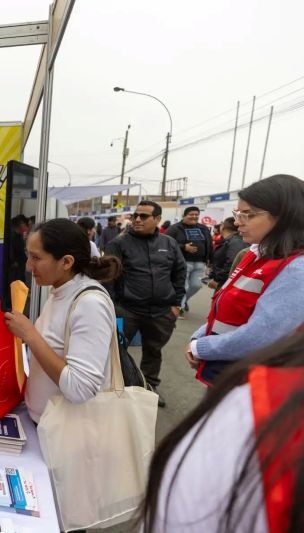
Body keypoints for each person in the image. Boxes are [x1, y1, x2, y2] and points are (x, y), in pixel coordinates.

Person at [140, 331, 304, 533]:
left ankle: (149, 385)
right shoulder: (251, 406)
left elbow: (264, 328)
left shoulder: (254, 408)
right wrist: (198, 338)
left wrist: (200, 346)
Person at [186, 175, 304, 386]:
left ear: (284, 217)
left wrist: (201, 347)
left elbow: (262, 337)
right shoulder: (254, 254)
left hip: (256, 386)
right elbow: (224, 313)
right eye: (237, 213)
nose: (237, 221)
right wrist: (198, 337)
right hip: (227, 375)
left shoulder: (296, 270)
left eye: (247, 215)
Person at [3, 218, 121, 423]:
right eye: (27, 256)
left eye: (36, 258)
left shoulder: (90, 304)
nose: (29, 266)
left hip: (63, 436)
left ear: (66, 262)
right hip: (43, 423)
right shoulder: (60, 290)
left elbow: (80, 388)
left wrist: (29, 334)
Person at [104, 200, 185, 407]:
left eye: (144, 216)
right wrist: (112, 306)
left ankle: (148, 387)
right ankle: (117, 388)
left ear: (157, 219)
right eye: (135, 215)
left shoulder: (168, 244)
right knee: (117, 349)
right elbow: (109, 276)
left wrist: (176, 304)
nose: (137, 220)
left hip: (161, 312)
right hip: (126, 310)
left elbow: (179, 272)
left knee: (153, 350)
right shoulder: (118, 243)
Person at [164, 206, 213, 314]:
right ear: (184, 215)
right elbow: (165, 242)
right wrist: (183, 247)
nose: (194, 216)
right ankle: (179, 307)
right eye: (191, 214)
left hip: (200, 263)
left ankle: (183, 301)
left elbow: (209, 244)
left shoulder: (203, 228)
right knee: (183, 286)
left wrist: (211, 260)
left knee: (197, 285)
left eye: (196, 214)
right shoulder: (175, 228)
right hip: (182, 262)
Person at [207, 217, 249, 290]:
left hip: (227, 283)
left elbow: (232, 264)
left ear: (223, 227)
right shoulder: (231, 240)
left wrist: (217, 279)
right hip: (226, 281)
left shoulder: (235, 241)